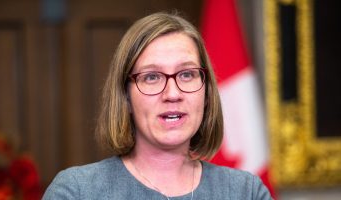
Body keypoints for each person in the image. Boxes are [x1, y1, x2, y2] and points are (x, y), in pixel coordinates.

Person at [43, 12, 272, 200]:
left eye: (187, 74)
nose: (172, 94)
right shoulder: (77, 191)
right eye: (151, 77)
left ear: (207, 93)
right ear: (126, 97)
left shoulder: (246, 192)